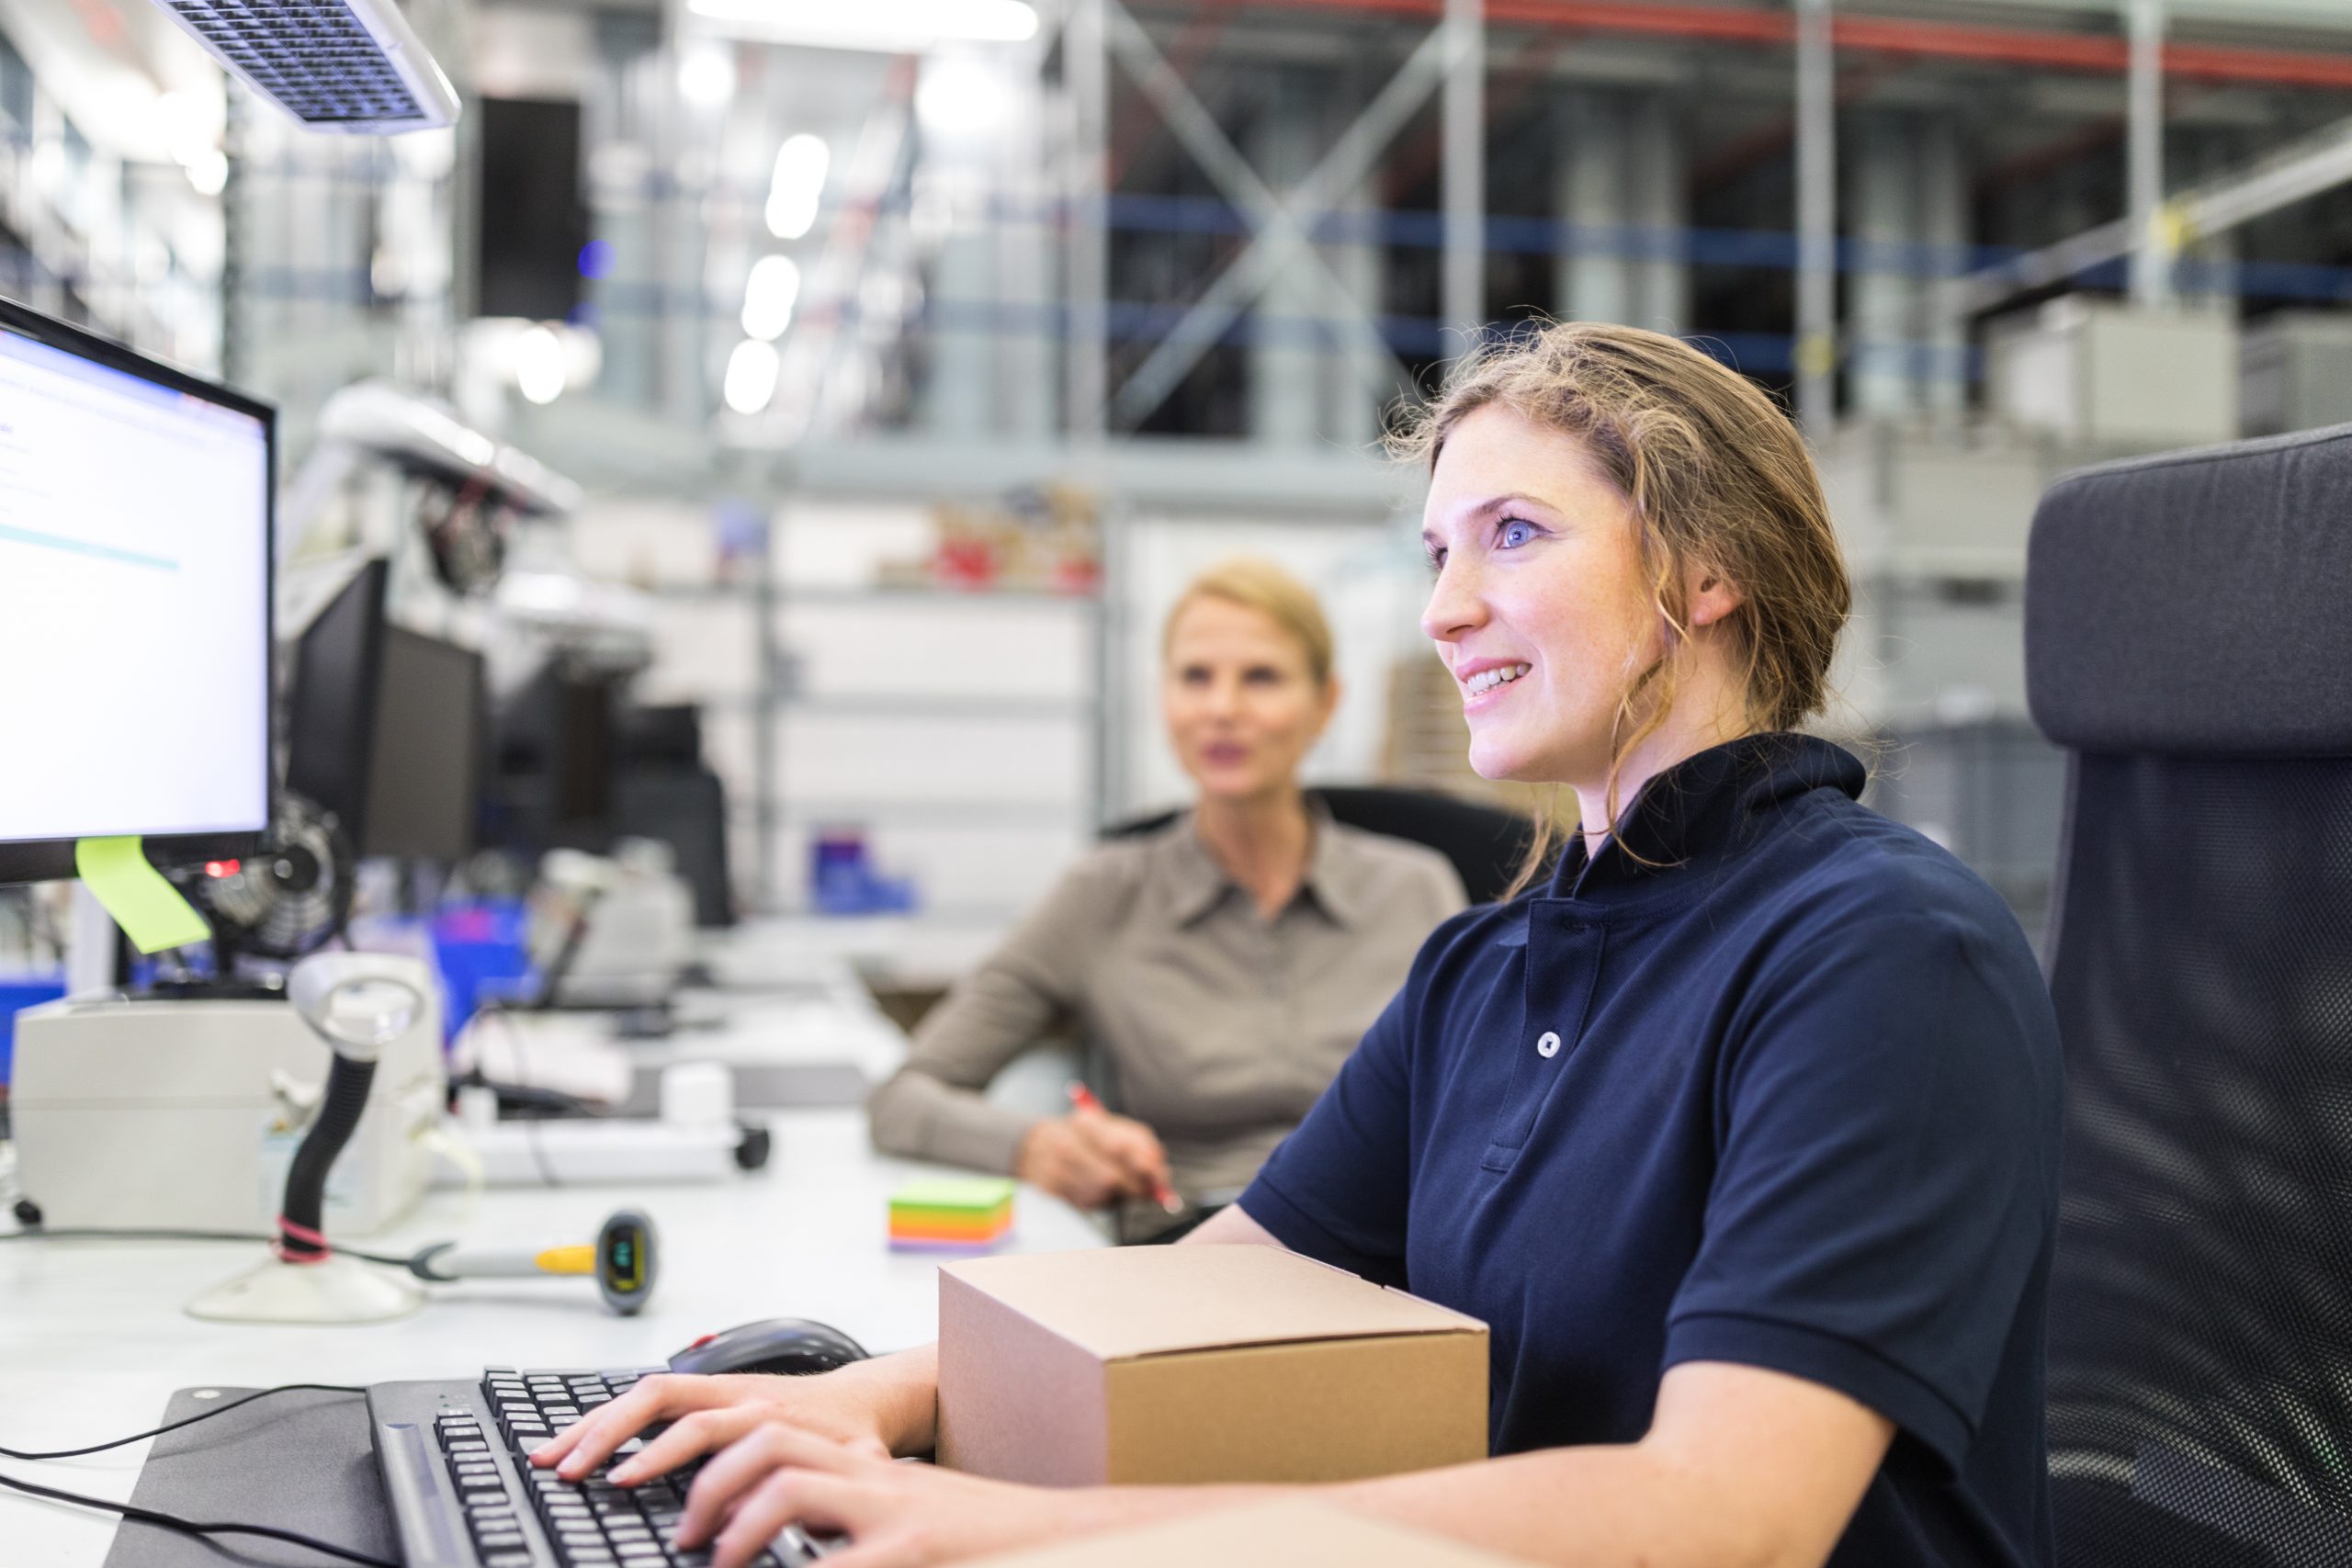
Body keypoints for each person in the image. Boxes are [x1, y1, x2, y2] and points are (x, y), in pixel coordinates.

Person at [537, 323, 2065, 1568]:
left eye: (1514, 536)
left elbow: (1724, 1518)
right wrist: (882, 1388)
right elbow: (1227, 1279)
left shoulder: (1877, 953)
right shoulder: (1488, 966)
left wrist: (1049, 1528)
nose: (1450, 611)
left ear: (1706, 570)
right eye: (1437, 554)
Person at [866, 557, 1465, 1238]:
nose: (1223, 708)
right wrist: (1036, 1146)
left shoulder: (1416, 889)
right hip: (1190, 1248)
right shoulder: (1102, 895)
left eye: (1261, 677)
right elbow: (901, 1100)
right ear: (1164, 698)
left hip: (1391, 1248)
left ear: (1324, 703)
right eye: (1196, 677)